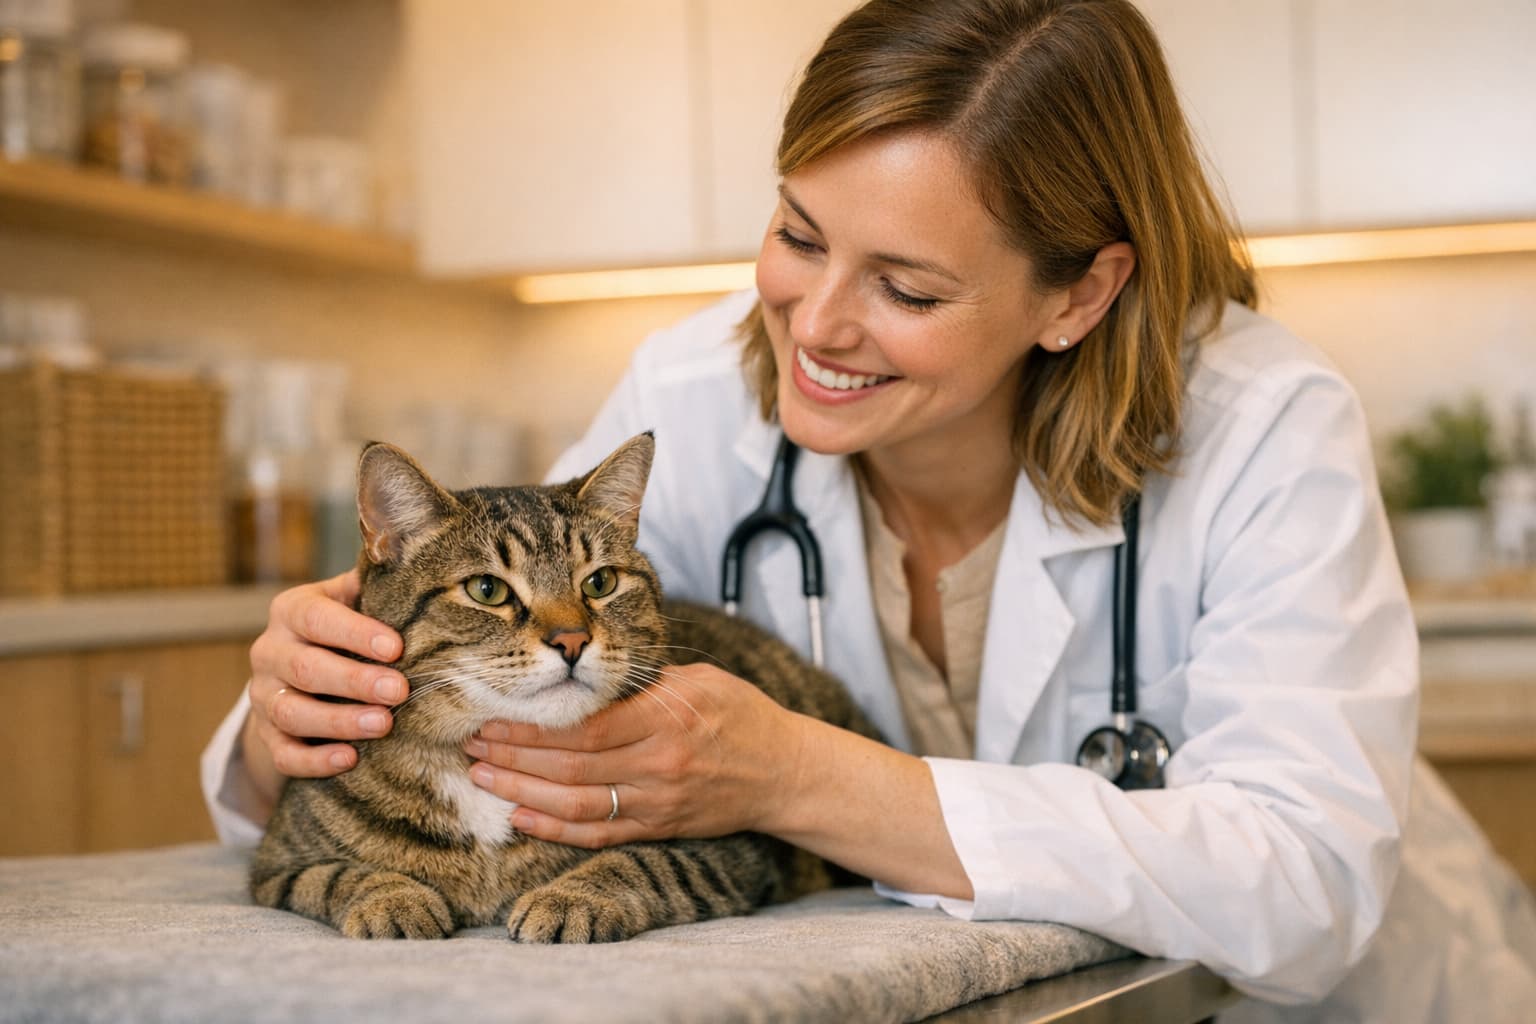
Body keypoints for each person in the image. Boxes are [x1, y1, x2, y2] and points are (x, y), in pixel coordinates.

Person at [202, 0, 1536, 1018]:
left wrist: (798, 774)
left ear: (1078, 294)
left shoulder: (1263, 423)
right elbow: (458, 666)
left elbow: (1303, 883)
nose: (816, 327)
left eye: (906, 285)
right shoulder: (696, 393)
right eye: (797, 235)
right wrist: (287, 723)